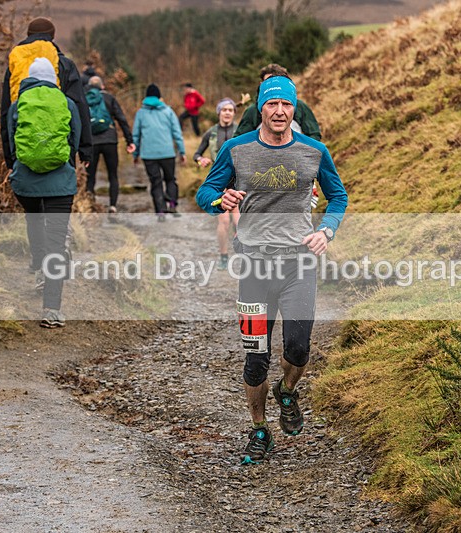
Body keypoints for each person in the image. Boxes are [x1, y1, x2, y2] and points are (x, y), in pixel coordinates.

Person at [196, 75, 348, 464]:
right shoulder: (236, 149)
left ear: (294, 108)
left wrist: (326, 231)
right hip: (254, 266)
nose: (279, 111)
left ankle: (287, 391)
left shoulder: (314, 151)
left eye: (286, 105)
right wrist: (220, 199)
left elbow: (338, 196)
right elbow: (204, 192)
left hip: (298, 263)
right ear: (260, 108)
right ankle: (259, 429)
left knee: (298, 348)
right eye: (272, 104)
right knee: (256, 357)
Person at [6, 57, 81, 328]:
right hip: (60, 183)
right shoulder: (67, 103)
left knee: (34, 217)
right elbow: (74, 142)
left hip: (25, 182)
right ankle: (51, 309)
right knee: (57, 243)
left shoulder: (17, 105)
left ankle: (38, 264)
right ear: (53, 79)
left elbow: (11, 144)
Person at [0, 17, 91, 172]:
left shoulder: (15, 63)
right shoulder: (64, 63)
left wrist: (9, 157)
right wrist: (85, 149)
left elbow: (6, 111)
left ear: (28, 35)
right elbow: (79, 105)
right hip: (60, 147)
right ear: (52, 36)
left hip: (24, 149)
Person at [194, 98, 240, 270]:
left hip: (238, 180)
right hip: (218, 181)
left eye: (230, 110)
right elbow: (197, 154)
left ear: (234, 113)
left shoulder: (240, 131)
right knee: (224, 221)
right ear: (219, 112)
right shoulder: (211, 133)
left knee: (238, 220)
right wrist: (201, 159)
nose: (227, 113)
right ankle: (223, 256)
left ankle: (246, 255)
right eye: (224, 110)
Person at [132, 84, 186, 222]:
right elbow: (177, 133)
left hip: (148, 155)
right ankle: (172, 204)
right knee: (170, 179)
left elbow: (136, 136)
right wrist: (182, 151)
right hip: (167, 152)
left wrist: (135, 154)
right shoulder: (168, 111)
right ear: (159, 96)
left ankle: (160, 211)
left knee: (156, 183)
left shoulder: (140, 113)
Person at [85, 76, 136, 214]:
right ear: (102, 86)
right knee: (112, 175)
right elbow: (121, 119)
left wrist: (82, 145)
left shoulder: (84, 99)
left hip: (92, 142)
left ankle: (90, 204)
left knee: (90, 176)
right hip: (110, 140)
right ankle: (113, 205)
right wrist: (129, 140)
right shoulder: (109, 98)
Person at [234, 64, 322, 141]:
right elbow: (239, 139)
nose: (279, 112)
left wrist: (301, 150)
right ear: (261, 84)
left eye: (286, 105)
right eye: (269, 81)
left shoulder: (300, 107)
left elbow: (314, 134)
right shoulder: (252, 111)